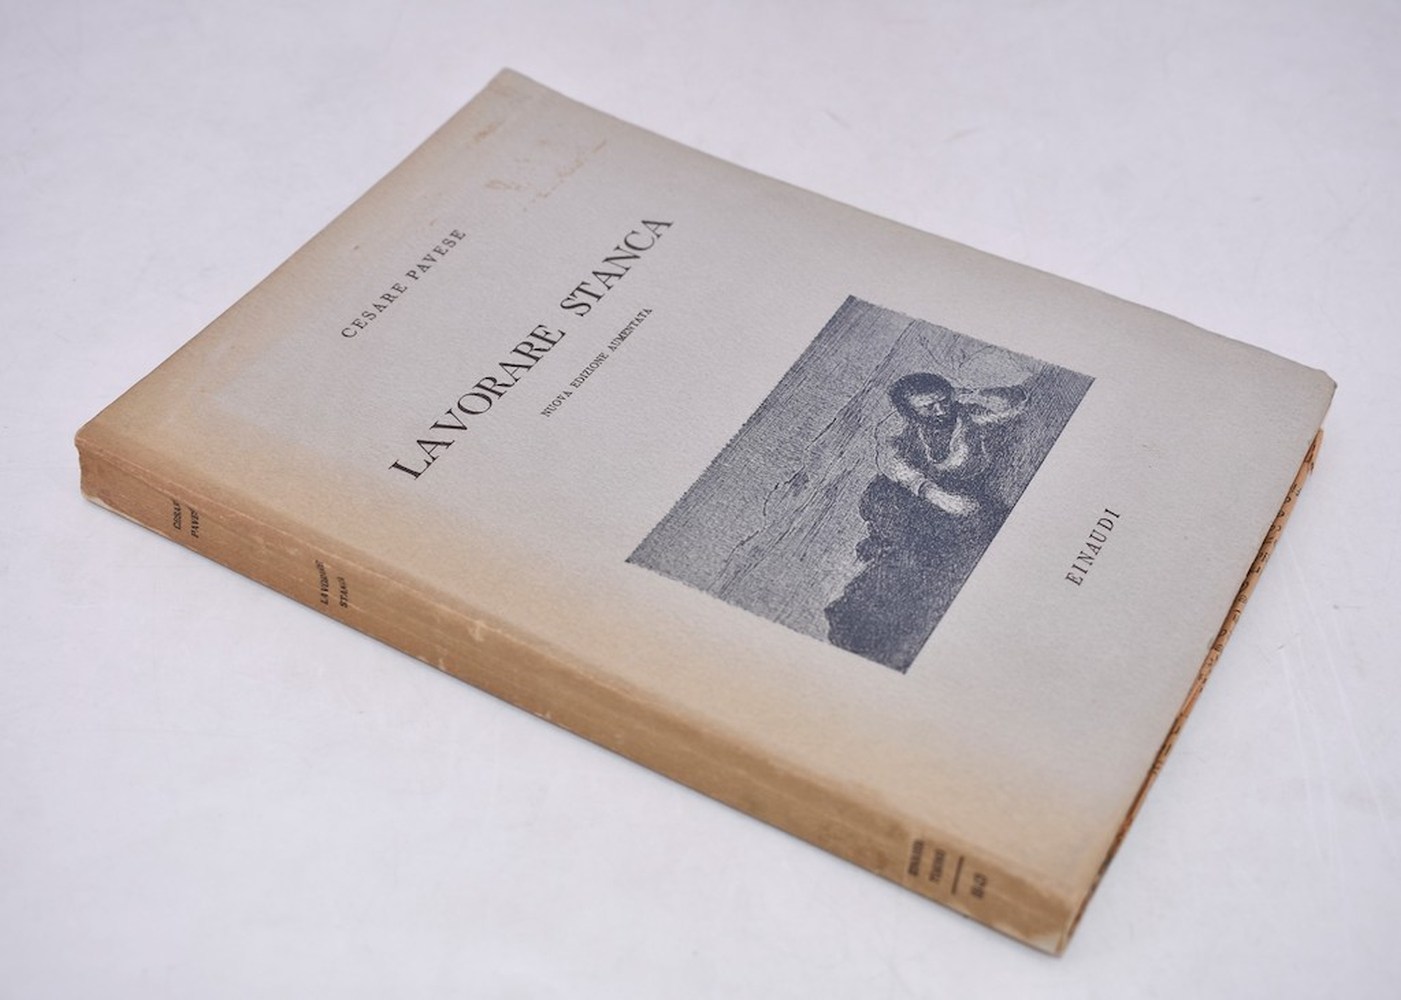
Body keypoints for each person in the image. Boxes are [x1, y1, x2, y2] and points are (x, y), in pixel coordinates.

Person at [824, 372, 1027, 670]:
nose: (940, 411)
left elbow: (1016, 403)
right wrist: (939, 497)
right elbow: (900, 471)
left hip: (961, 502)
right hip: (917, 504)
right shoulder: (903, 436)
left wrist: (965, 392)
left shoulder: (969, 416)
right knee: (911, 556)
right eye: (928, 407)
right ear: (910, 412)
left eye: (943, 401)